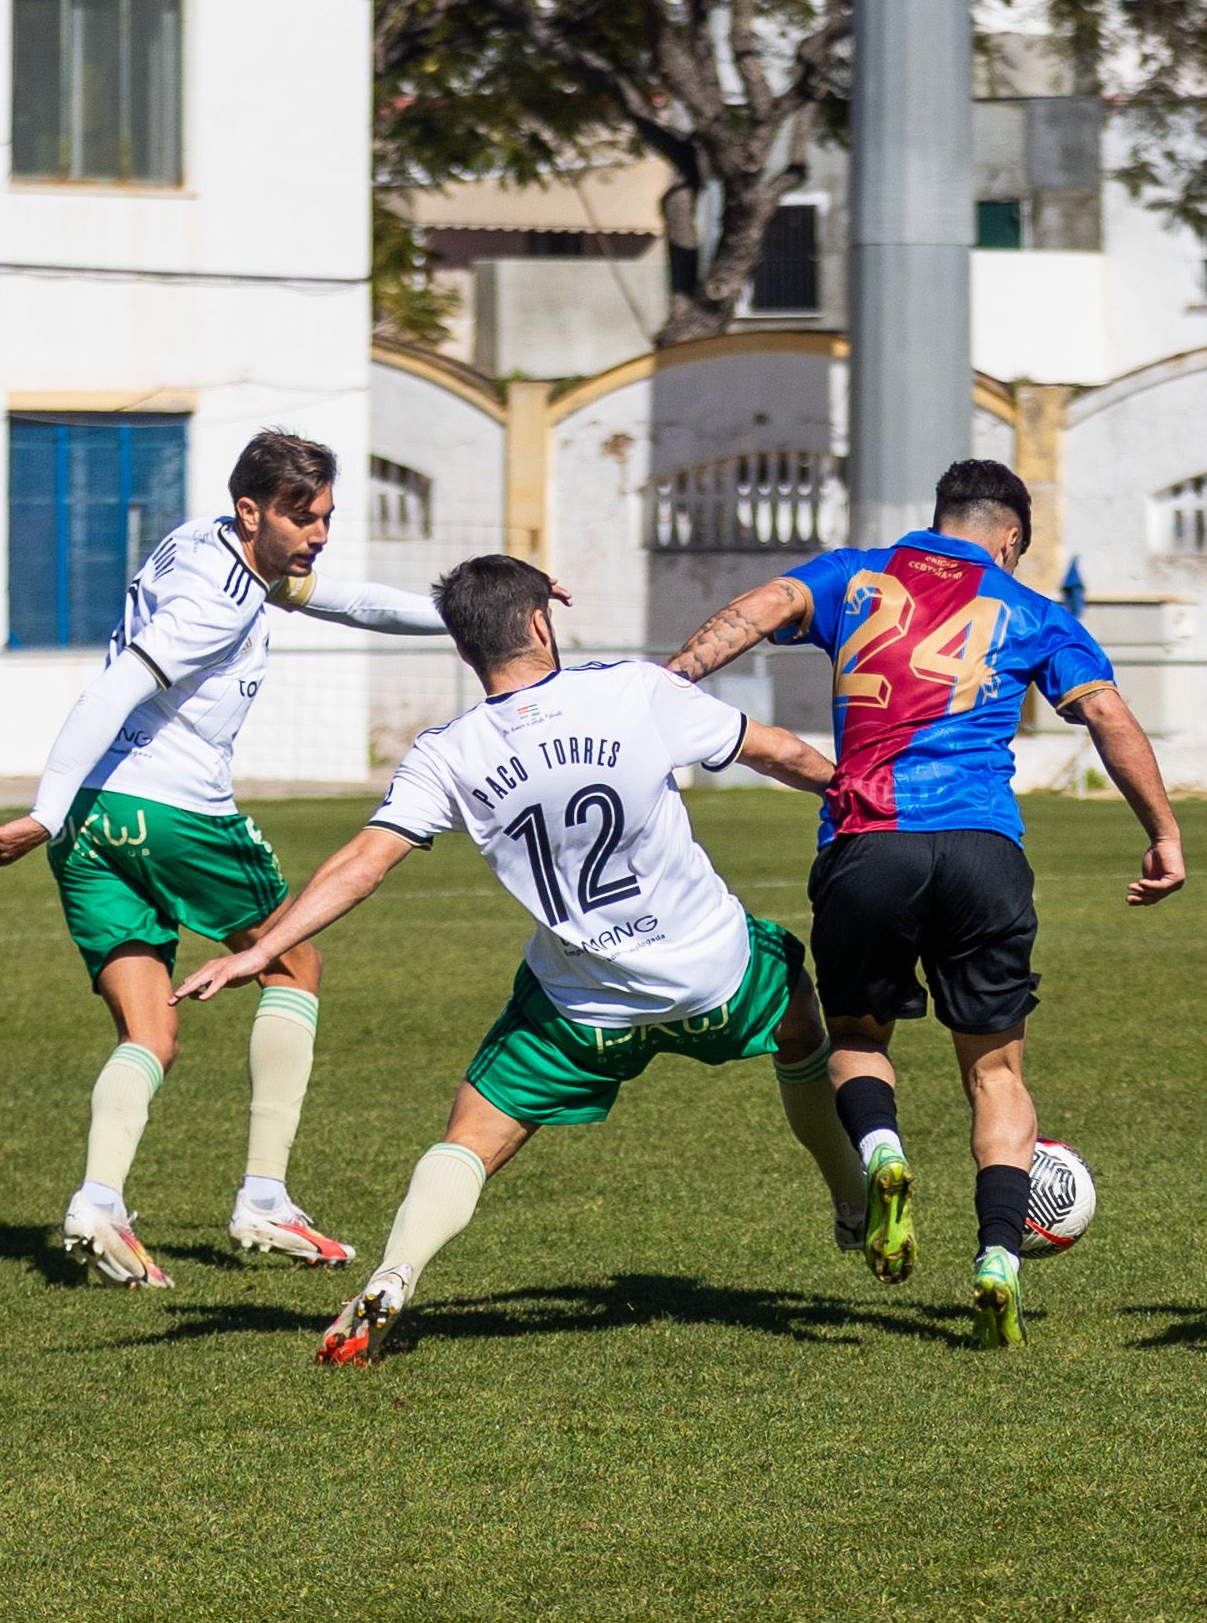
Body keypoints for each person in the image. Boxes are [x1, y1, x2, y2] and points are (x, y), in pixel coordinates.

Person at [175, 555, 863, 1368]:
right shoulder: (634, 691)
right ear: (542, 622)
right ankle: (852, 1196)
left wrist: (263, 947)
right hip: (711, 975)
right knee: (798, 1011)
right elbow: (778, 750)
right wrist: (861, 797)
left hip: (580, 1008)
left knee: (472, 1134)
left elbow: (364, 860)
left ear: (465, 649)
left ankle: (397, 1270)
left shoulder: (449, 751)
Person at [664, 459, 1187, 1349]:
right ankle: (996, 1262)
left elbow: (755, 610)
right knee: (996, 1072)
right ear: (1010, 537)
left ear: (939, 517)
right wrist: (1164, 831)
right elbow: (1106, 717)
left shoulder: (853, 573)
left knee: (861, 1037)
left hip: (868, 843)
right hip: (985, 849)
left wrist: (670, 682)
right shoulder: (1034, 611)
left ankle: (883, 1159)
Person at [0, 430, 471, 1289]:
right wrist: (36, 814)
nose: (319, 533)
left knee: (150, 1030)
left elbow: (343, 600)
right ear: (251, 510)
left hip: (94, 819)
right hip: (168, 809)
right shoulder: (221, 602)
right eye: (304, 517)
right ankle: (265, 1198)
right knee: (293, 961)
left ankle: (98, 1202)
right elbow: (115, 688)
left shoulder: (195, 540)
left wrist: (465, 610)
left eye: (327, 516)